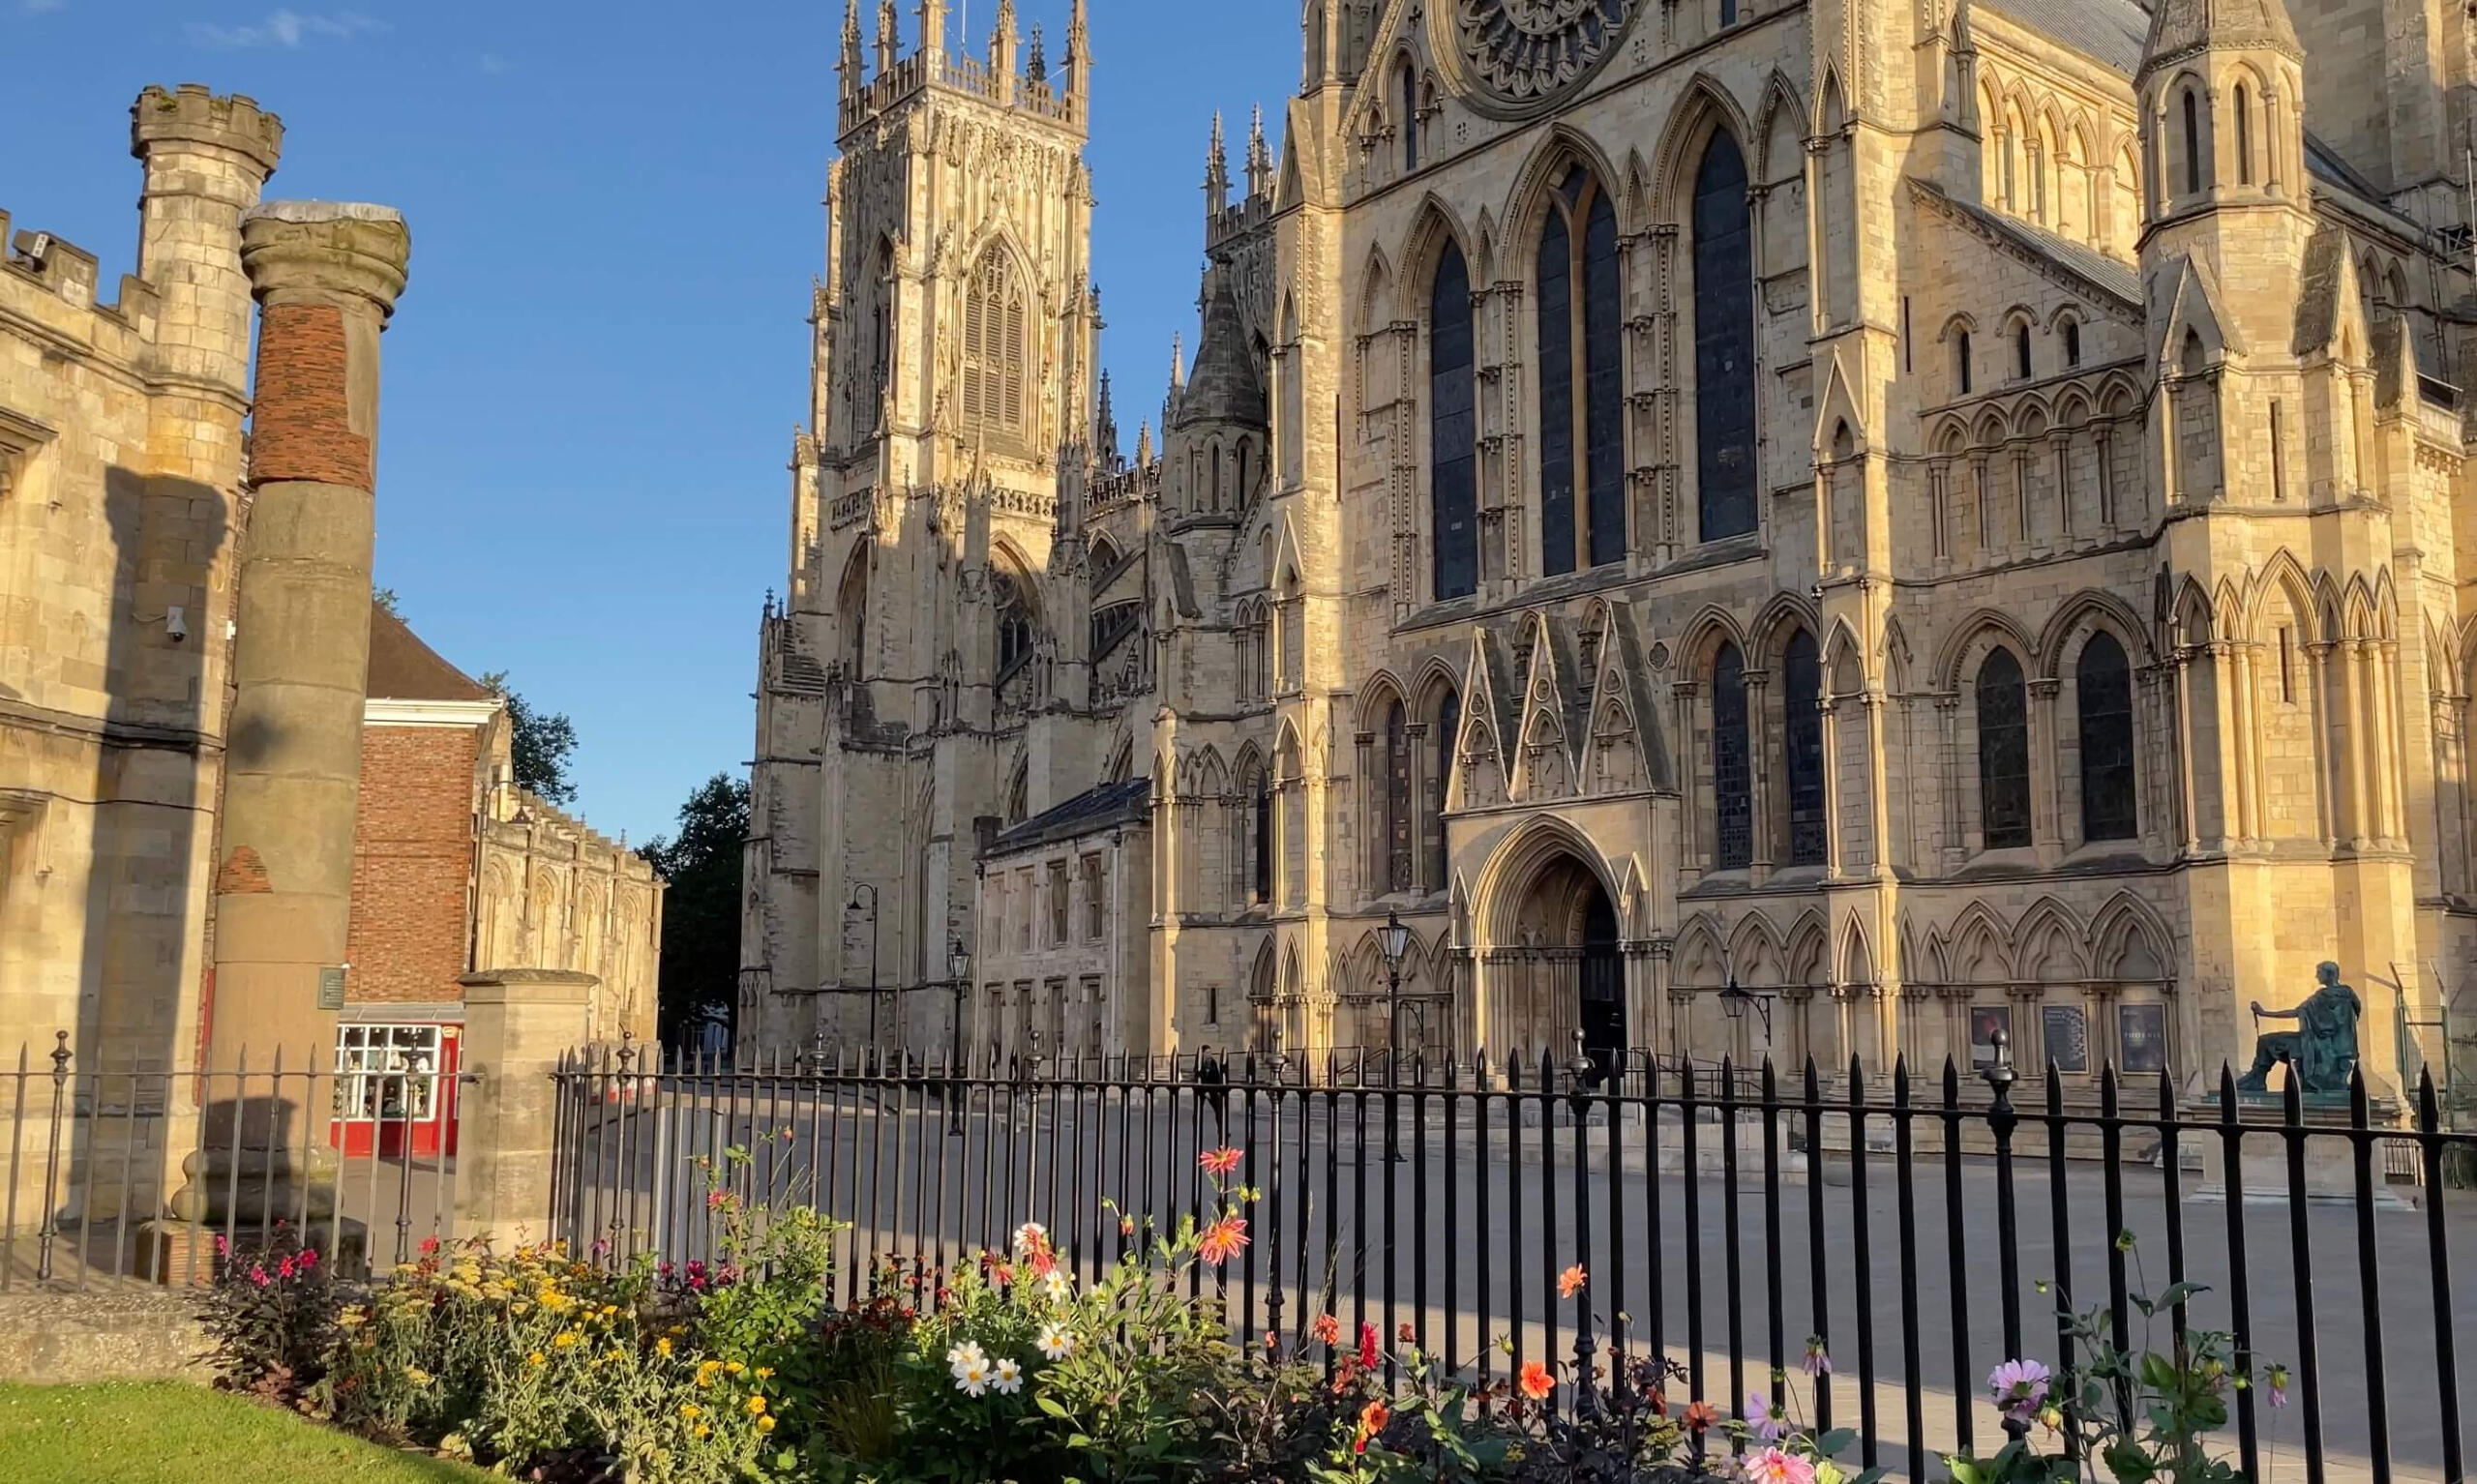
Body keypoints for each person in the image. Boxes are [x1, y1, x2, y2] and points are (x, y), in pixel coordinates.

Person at [2237, 961, 2362, 1095]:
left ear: (2329, 975)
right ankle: (2257, 1078)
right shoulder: (2349, 994)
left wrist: (2264, 1013)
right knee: (2270, 1041)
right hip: (2337, 1048)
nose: (2316, 976)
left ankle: (2257, 1079)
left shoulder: (2321, 997)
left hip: (2314, 1045)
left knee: (2266, 1041)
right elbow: (2357, 1012)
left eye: (2319, 972)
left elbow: (2296, 1012)